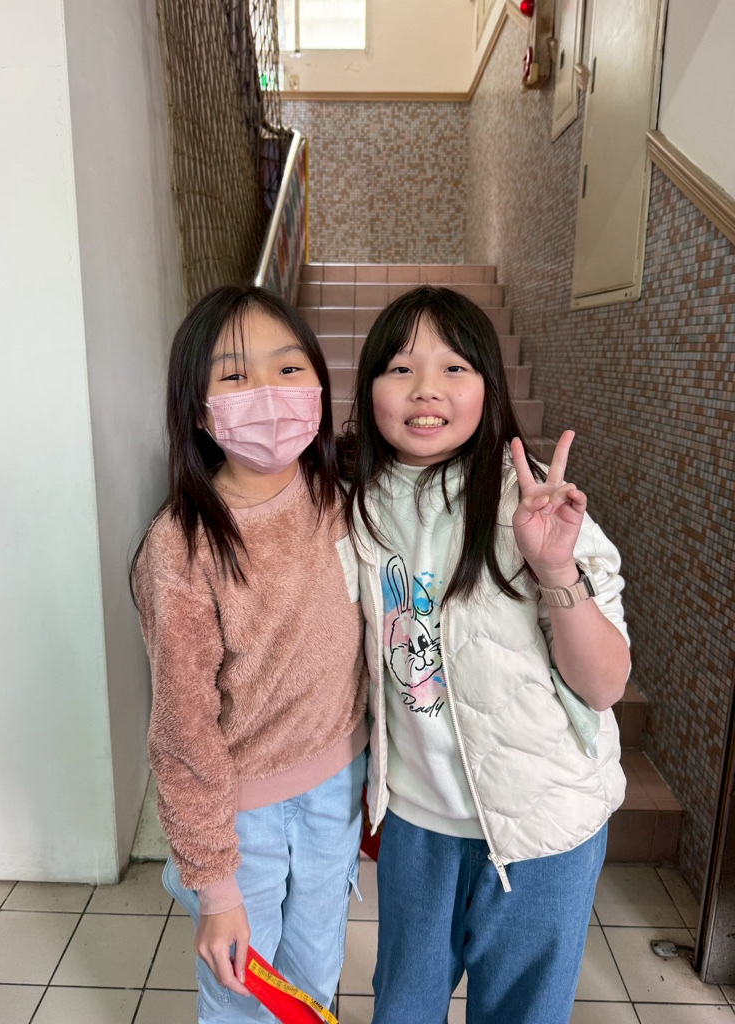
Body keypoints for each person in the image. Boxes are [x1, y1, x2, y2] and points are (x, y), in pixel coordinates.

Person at [340, 285, 630, 1024]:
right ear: (369, 389)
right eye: (400, 368)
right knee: (402, 1010)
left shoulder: (532, 506)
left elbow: (604, 685)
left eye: (454, 367)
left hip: (544, 831)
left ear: (488, 387)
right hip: (418, 828)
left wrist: (555, 568)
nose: (426, 389)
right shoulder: (353, 507)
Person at [131, 285, 368, 1023]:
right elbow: (182, 730)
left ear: (319, 384)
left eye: (288, 368)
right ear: (200, 410)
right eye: (235, 376)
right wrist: (215, 885)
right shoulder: (181, 546)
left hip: (338, 788)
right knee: (245, 998)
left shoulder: (342, 496)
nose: (269, 392)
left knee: (314, 978)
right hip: (243, 817)